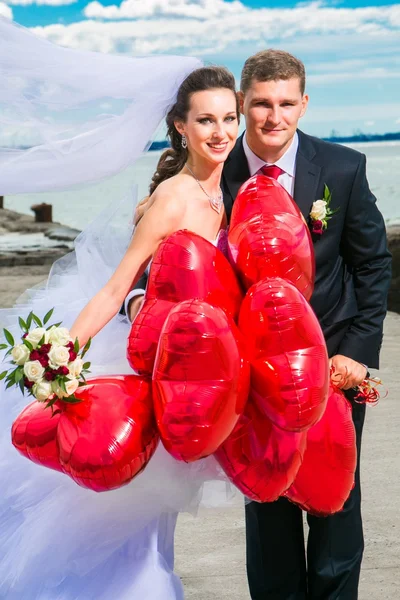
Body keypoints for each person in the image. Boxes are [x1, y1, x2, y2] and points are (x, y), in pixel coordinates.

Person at [131, 50, 392, 599]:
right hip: (247, 374)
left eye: (286, 104)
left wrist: (357, 354)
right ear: (242, 104)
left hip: (332, 366)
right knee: (266, 504)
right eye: (260, 105)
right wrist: (138, 302)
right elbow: (161, 261)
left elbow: (370, 265)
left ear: (304, 103)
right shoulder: (212, 175)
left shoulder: (343, 169)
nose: (274, 117)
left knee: (336, 502)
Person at [0, 63, 242, 599]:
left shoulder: (226, 193)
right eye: (205, 120)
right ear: (181, 126)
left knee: (159, 512)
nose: (220, 132)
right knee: (130, 511)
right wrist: (59, 354)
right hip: (150, 367)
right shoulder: (174, 199)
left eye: (229, 118)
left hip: (196, 378)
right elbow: (117, 289)